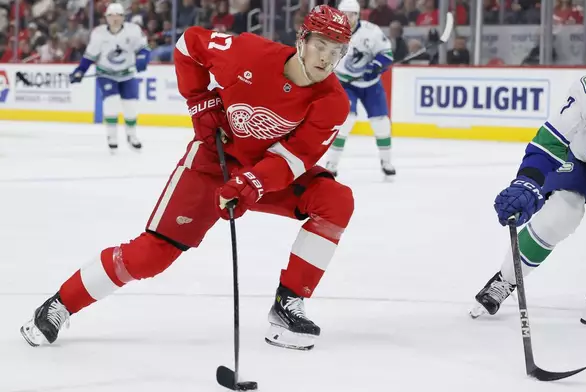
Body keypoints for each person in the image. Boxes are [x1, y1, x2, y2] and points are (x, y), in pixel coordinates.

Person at [21, 5, 353, 351]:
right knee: (152, 256)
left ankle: (288, 306)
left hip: (263, 175)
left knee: (335, 200)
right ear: (302, 40)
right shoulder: (250, 53)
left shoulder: (332, 102)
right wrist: (199, 101)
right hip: (213, 162)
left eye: (337, 51)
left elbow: (292, 159)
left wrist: (251, 183)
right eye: (320, 45)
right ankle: (61, 303)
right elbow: (188, 45)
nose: (326, 59)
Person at [470, 38, 586, 329]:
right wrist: (527, 182)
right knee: (562, 215)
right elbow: (549, 141)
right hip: (580, 158)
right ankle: (505, 279)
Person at [326, 0, 396, 178]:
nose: (349, 18)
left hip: (371, 85)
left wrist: (375, 66)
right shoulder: (330, 33)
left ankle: (386, 161)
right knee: (346, 120)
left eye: (353, 14)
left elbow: (386, 54)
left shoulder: (371, 31)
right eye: (345, 15)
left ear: (358, 15)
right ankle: (331, 164)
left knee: (381, 123)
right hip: (345, 84)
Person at [70, 3, 150, 151]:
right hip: (106, 74)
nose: (115, 19)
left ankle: (131, 135)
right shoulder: (99, 33)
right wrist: (80, 70)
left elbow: (144, 49)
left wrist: (142, 59)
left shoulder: (133, 30)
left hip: (127, 74)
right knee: (111, 103)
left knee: (130, 106)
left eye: (118, 15)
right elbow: (90, 56)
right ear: (106, 17)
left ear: (123, 17)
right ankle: (112, 135)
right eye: (111, 16)